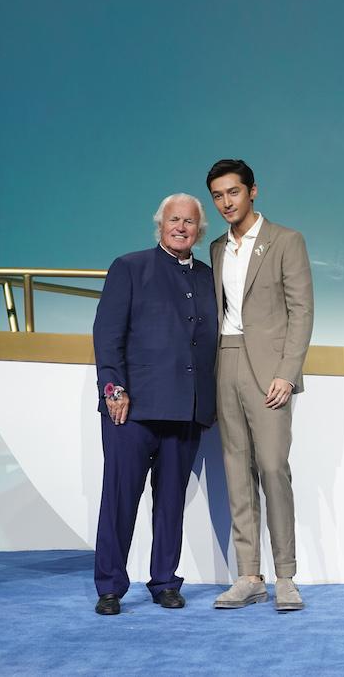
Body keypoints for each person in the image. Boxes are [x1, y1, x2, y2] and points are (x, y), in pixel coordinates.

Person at [91, 193, 218, 616]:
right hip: (132, 409)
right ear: (160, 225)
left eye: (189, 222)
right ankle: (110, 587)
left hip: (186, 410)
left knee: (170, 503)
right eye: (173, 220)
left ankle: (165, 582)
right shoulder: (130, 267)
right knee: (119, 500)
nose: (181, 227)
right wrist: (113, 389)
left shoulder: (207, 278)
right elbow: (107, 335)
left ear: (199, 231)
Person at [207, 159, 314, 612]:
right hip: (225, 360)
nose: (226, 202)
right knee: (236, 471)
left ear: (252, 191)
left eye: (233, 192)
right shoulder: (216, 248)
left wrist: (287, 373)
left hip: (270, 370)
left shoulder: (286, 240)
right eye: (218, 196)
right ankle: (249, 576)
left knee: (272, 467)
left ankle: (285, 577)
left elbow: (301, 311)